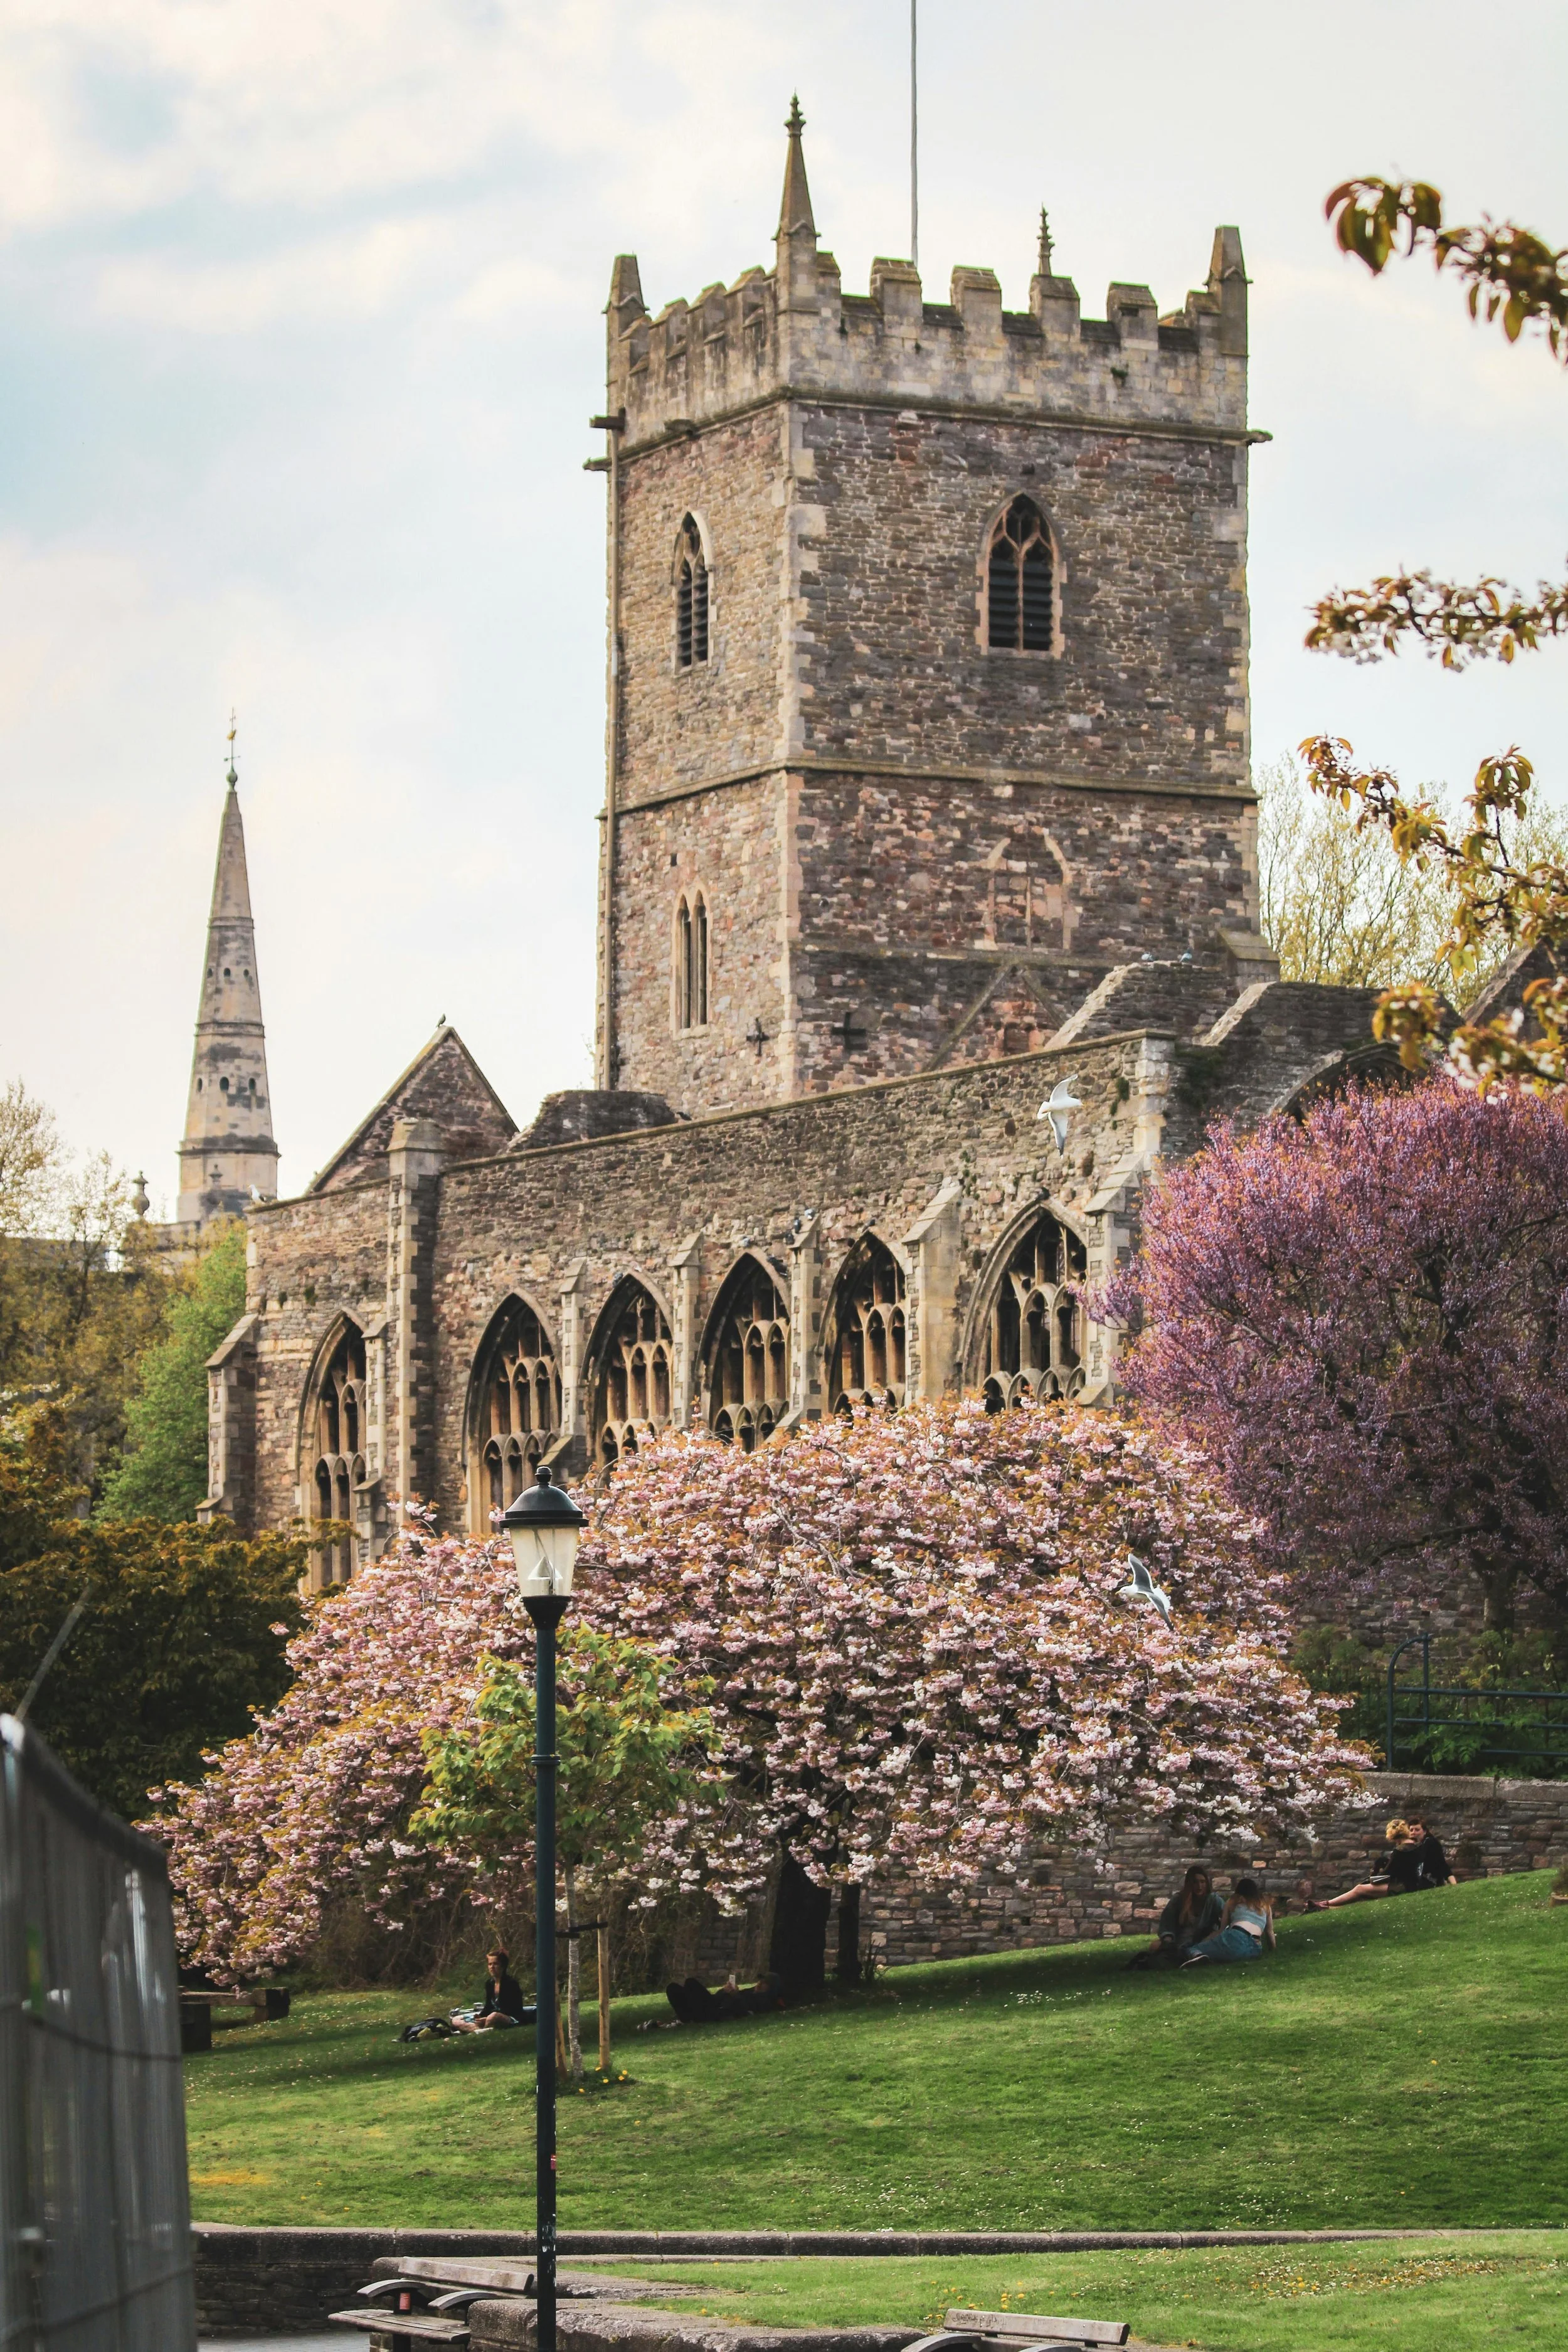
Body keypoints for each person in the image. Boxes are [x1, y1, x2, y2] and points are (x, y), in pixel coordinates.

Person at [1126, 1866, 1224, 1969]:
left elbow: (1227, 1915)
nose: (1199, 1886)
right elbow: (1167, 1923)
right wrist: (1168, 1941)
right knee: (1156, 1947)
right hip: (1179, 1943)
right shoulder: (1179, 1899)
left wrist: (1218, 1931)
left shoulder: (1213, 1900)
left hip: (1202, 1942)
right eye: (1195, 1882)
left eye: (1203, 1882)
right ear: (1189, 1883)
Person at [1312, 1819, 1422, 1908]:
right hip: (1412, 1884)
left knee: (1360, 1889)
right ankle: (1326, 1906)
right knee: (1364, 1893)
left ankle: (1326, 1904)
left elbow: (1387, 1874)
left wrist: (1372, 1878)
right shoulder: (1416, 1847)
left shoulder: (1400, 1851)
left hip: (1401, 1887)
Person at [1181, 1877, 1275, 1965]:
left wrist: (1203, 1943)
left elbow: (1221, 1930)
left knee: (1192, 1949)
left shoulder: (1232, 1902)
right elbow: (1270, 1932)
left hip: (1235, 1937)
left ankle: (1198, 1955)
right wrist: (1273, 1950)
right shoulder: (1265, 1906)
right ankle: (1212, 1957)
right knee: (1230, 1954)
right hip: (1255, 1947)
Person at [452, 1948, 529, 2032]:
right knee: (456, 2019)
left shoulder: (511, 1983)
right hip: (490, 2016)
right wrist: (480, 2017)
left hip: (511, 2017)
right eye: (490, 1964)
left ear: (503, 1966)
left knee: (493, 2016)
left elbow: (512, 2009)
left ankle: (479, 2030)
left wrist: (486, 2018)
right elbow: (488, 2006)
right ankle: (478, 2030)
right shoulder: (490, 1983)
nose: (492, 1967)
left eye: (495, 1964)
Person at [1407, 1817, 1454, 1890]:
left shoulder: (1430, 1842)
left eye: (1417, 1830)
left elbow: (1441, 1863)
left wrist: (1453, 1884)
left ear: (1425, 1831)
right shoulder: (1415, 1845)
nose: (1413, 1832)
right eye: (1411, 1830)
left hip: (1431, 1882)